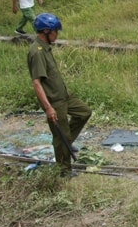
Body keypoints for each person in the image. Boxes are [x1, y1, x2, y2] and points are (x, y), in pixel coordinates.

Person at [27, 13, 92, 176]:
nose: (57, 34)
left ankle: (66, 143)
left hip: (64, 95)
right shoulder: (37, 52)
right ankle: (64, 170)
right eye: (56, 31)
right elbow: (37, 83)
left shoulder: (46, 48)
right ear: (46, 31)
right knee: (60, 133)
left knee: (84, 112)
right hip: (54, 100)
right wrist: (49, 108)